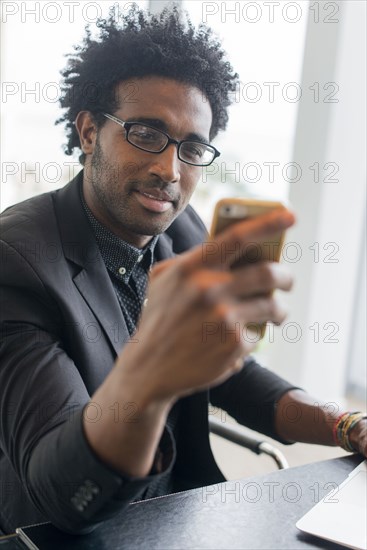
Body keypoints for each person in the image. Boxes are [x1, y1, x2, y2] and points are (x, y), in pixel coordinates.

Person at [0, 5, 365, 536]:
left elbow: (235, 375)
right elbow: (63, 488)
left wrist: (346, 425)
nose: (169, 170)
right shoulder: (18, 260)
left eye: (192, 148)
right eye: (147, 133)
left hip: (176, 518)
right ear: (88, 132)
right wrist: (154, 369)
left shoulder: (179, 231)